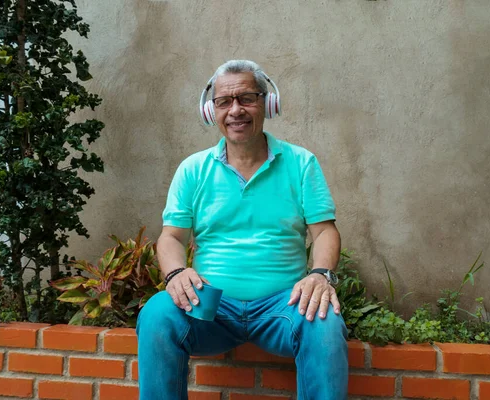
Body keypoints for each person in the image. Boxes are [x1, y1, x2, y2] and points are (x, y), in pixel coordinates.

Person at [136, 60, 349, 400]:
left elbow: (325, 231)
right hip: (211, 307)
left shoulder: (301, 163)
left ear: (267, 103)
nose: (236, 110)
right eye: (224, 101)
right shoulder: (193, 169)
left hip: (283, 306)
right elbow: (172, 237)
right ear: (212, 110)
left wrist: (321, 274)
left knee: (324, 324)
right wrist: (175, 272)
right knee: (158, 314)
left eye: (247, 98)